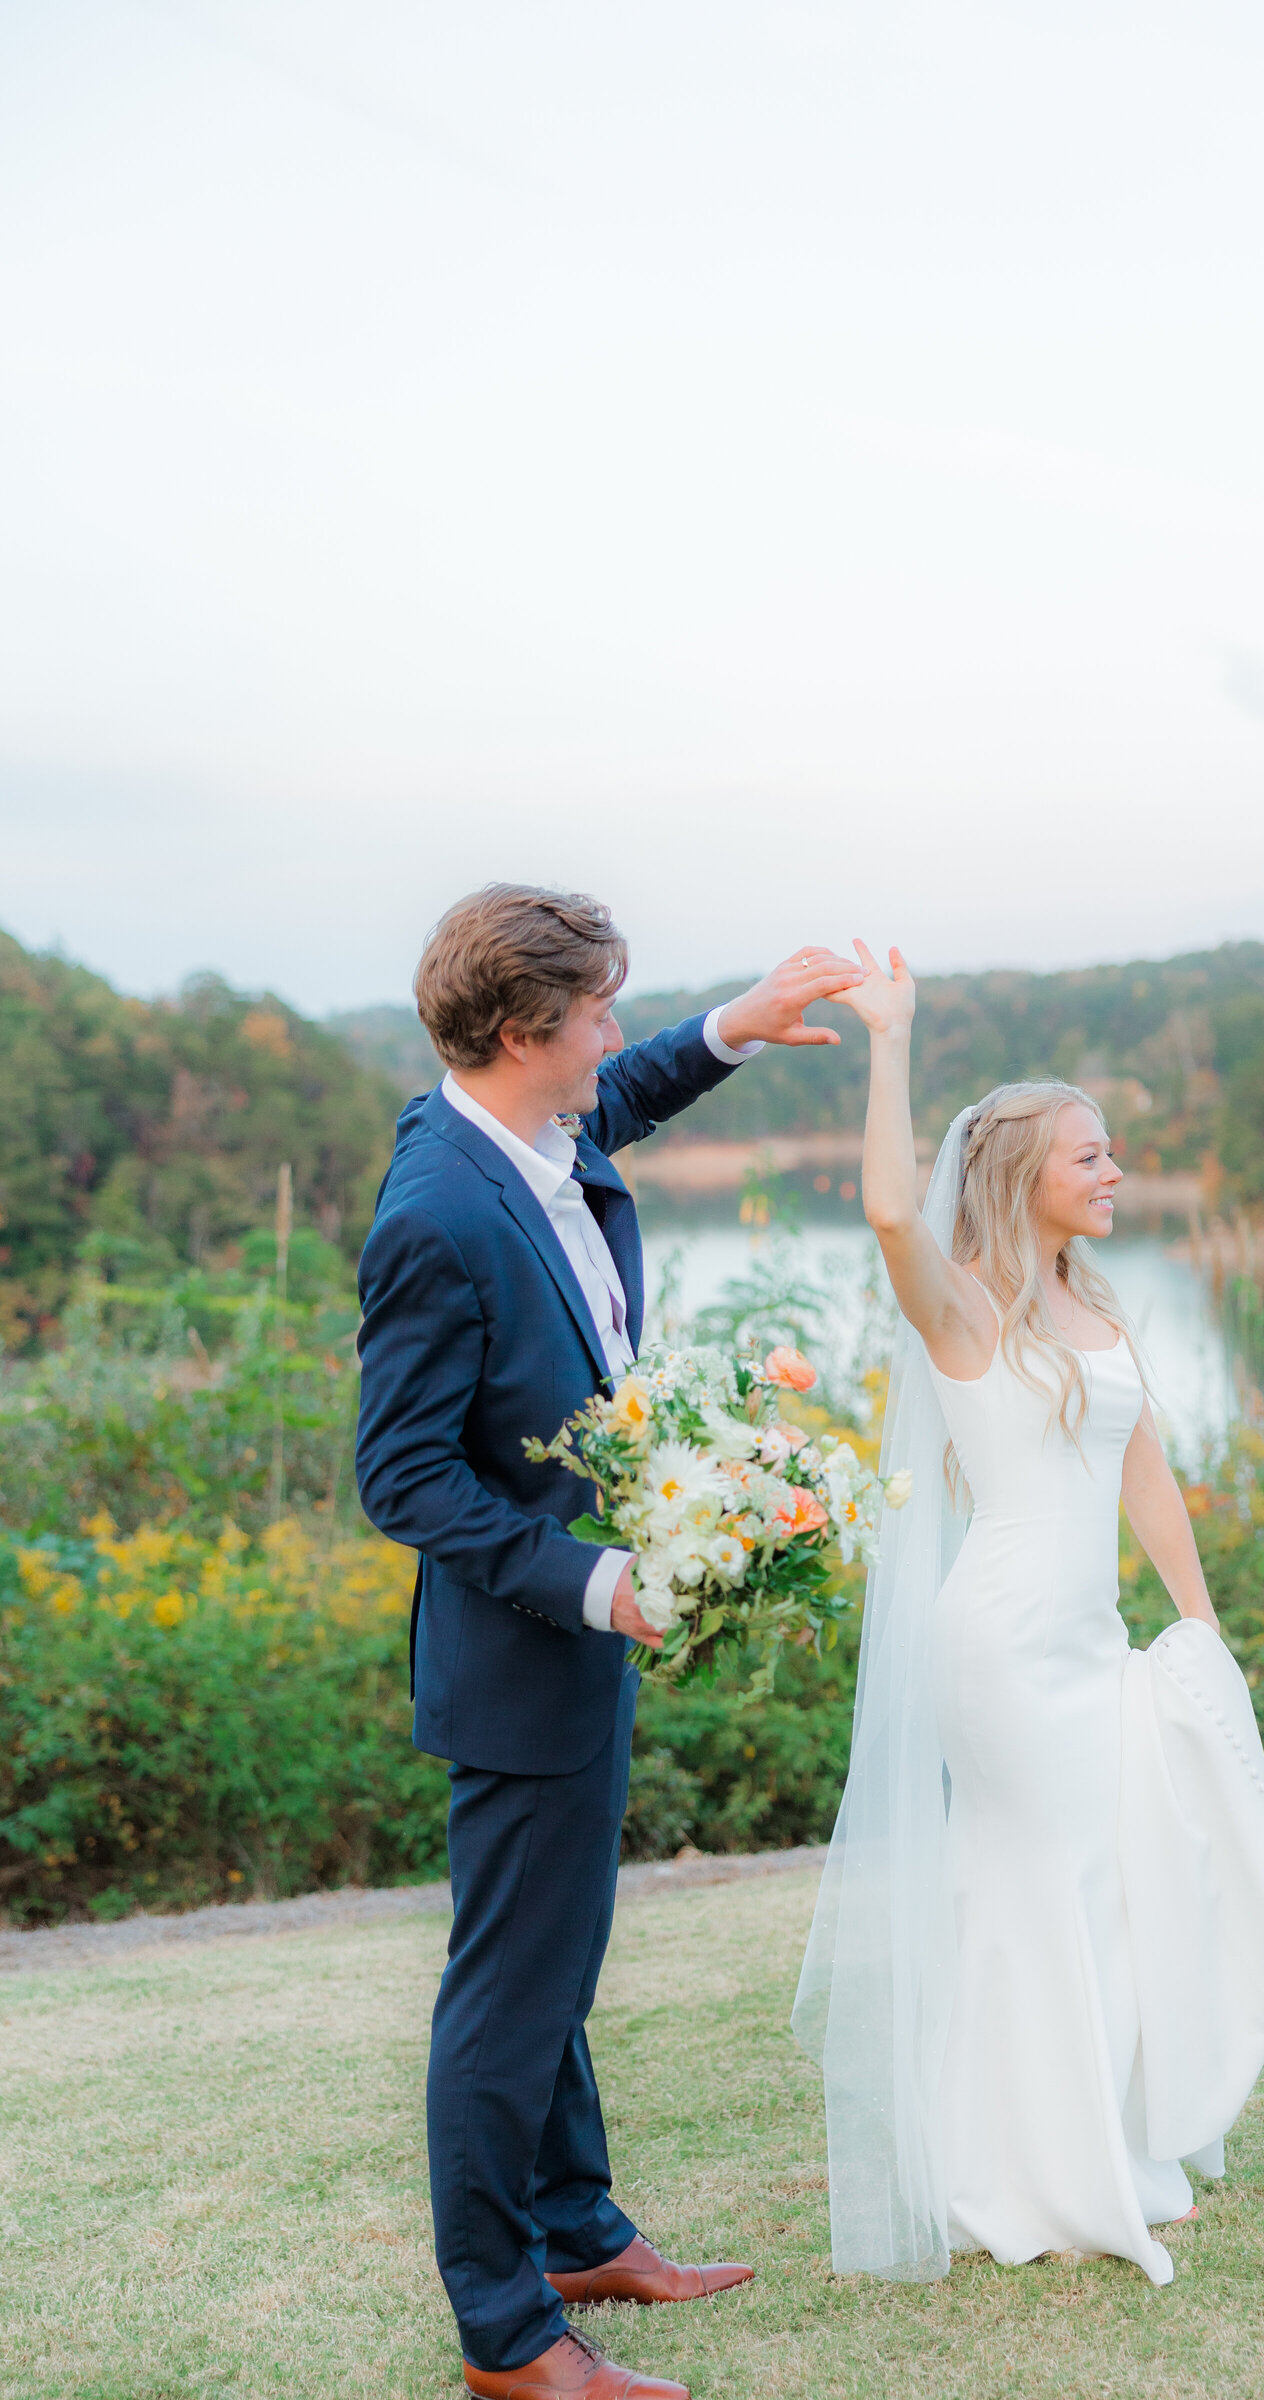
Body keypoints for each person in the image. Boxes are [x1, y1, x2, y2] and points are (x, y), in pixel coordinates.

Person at [356, 885, 863, 2400]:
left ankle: (575, 2231)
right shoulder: (436, 1210)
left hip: (574, 1651)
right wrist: (592, 1583)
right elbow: (405, 1477)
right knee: (510, 1998)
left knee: (554, 1966)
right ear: (523, 1032)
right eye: (598, 1012)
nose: (615, 1036)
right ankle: (507, 2335)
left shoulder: (522, 1132)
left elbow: (619, 1098)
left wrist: (736, 1027)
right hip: (526, 1655)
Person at [794, 942, 1264, 2288]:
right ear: (1028, 1176)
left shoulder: (1095, 1306)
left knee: (1106, 1881)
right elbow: (894, 1213)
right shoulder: (964, 1312)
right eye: (1092, 1156)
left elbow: (1147, 1476)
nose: (1116, 1172)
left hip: (1092, 1645)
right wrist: (891, 1041)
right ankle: (1025, 2174)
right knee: (1043, 1879)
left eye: (1114, 1153)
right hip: (1004, 1647)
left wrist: (1199, 1629)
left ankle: (1099, 2151)